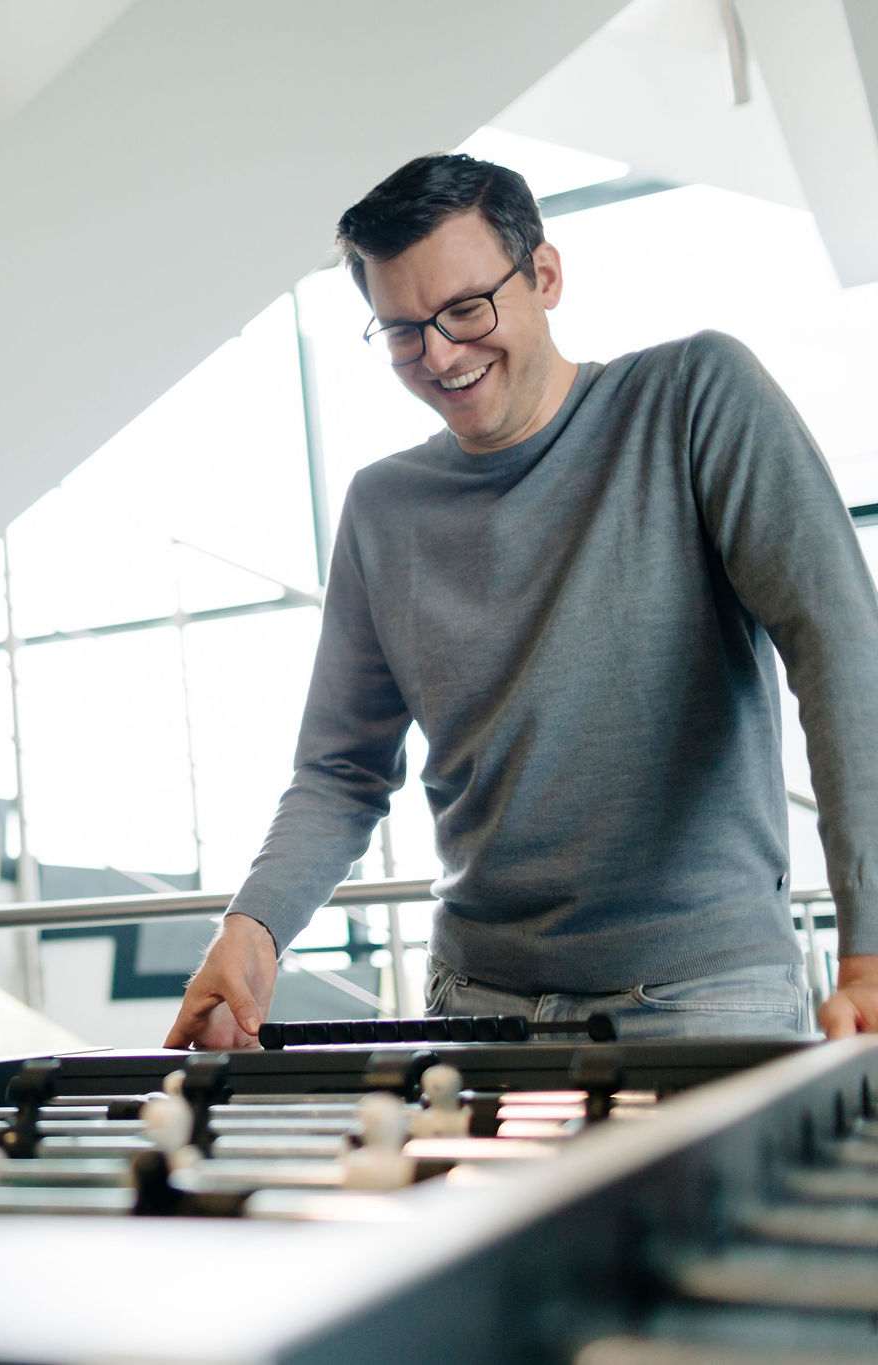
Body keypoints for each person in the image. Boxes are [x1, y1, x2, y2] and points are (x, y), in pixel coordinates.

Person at [165, 154, 878, 1049]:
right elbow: (341, 771)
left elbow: (842, 654)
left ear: (544, 275)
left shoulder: (696, 397)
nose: (440, 355)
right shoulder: (383, 508)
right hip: (476, 1008)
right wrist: (252, 926)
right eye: (400, 332)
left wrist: (870, 951)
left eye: (466, 309)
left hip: (700, 998)